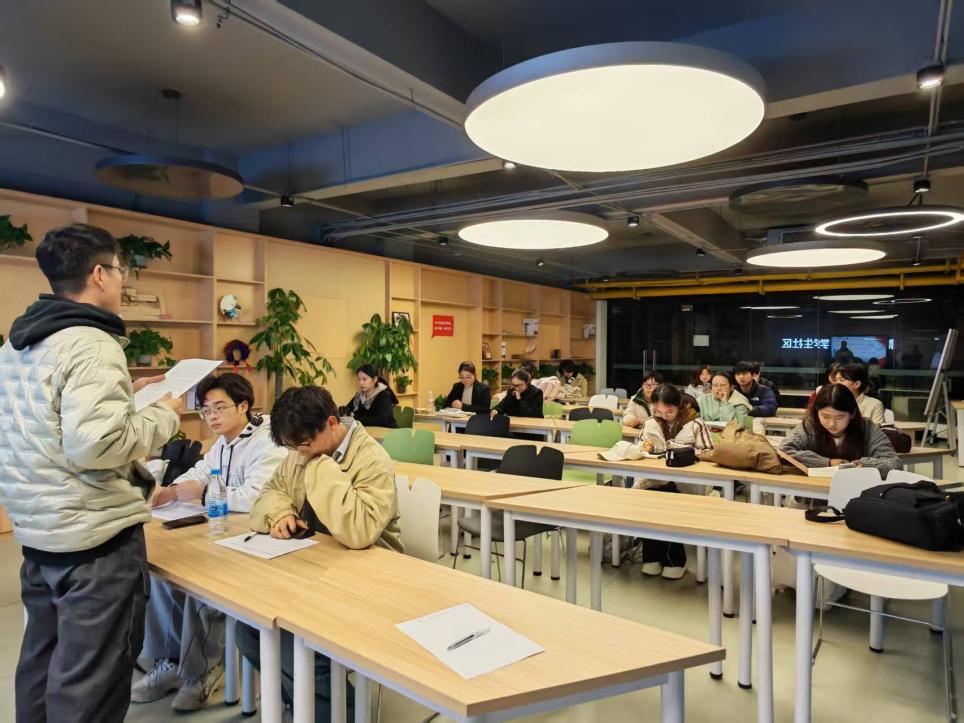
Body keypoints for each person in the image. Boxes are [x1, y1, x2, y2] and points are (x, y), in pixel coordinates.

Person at [0, 224, 184, 723]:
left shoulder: (19, 343)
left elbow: (45, 425)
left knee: (42, 666)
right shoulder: (92, 343)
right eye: (121, 271)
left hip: (40, 533)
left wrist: (125, 398)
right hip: (93, 543)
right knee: (90, 686)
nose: (123, 282)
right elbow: (96, 445)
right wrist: (164, 413)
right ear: (99, 274)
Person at [237, 385, 403, 721]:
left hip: (368, 576)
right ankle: (303, 702)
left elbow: (359, 532)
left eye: (303, 446)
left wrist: (320, 467)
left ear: (331, 423)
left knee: (296, 642)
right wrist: (280, 513)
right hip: (313, 568)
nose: (299, 455)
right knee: (250, 630)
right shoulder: (302, 449)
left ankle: (333, 711)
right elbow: (270, 493)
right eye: (292, 448)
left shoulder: (371, 459)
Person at [136, 373, 288, 710]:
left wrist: (203, 493)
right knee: (160, 574)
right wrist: (171, 491)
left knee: (198, 584)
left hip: (257, 541)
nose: (212, 417)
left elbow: (257, 497)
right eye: (206, 410)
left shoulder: (268, 441)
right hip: (221, 533)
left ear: (244, 406)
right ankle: (169, 662)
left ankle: (201, 671)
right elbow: (202, 471)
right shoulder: (222, 442)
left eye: (220, 408)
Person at [634, 384, 714, 580]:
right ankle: (651, 557)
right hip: (654, 480)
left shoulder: (695, 424)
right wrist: (644, 448)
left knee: (667, 501)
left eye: (669, 411)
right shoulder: (651, 423)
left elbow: (709, 454)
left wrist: (682, 451)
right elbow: (640, 448)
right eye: (658, 411)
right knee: (647, 501)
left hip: (686, 484)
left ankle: (674, 560)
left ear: (679, 405)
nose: (664, 416)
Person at [781, 384, 899, 474]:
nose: (832, 423)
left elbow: (893, 462)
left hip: (855, 491)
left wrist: (865, 465)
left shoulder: (867, 428)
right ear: (817, 412)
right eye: (825, 416)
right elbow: (785, 451)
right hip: (812, 491)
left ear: (852, 413)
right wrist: (827, 462)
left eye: (839, 417)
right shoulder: (810, 426)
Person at [345, 364, 398, 428]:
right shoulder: (359, 396)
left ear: (375, 379)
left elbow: (381, 421)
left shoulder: (384, 396)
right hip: (369, 432)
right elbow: (347, 410)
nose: (361, 383)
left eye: (364, 379)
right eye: (359, 379)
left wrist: (354, 417)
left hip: (387, 431)